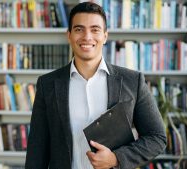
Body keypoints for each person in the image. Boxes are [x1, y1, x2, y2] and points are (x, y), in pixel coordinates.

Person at [25, 2, 166, 169]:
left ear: (105, 36)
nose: (87, 37)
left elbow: (157, 138)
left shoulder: (132, 81)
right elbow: (36, 151)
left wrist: (116, 158)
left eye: (95, 29)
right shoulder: (47, 85)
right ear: (69, 35)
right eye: (79, 29)